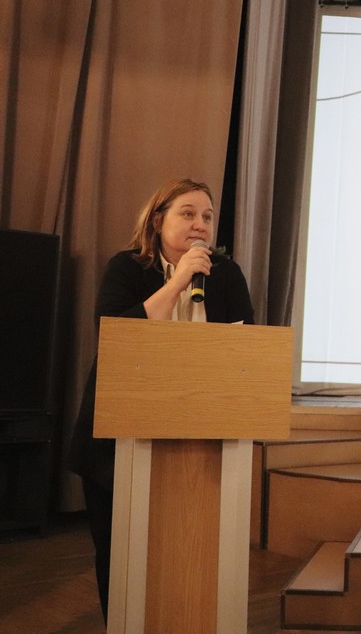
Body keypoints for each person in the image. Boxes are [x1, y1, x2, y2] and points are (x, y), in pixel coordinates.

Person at [69, 177, 255, 623]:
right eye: (187, 213)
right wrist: (179, 281)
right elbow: (117, 337)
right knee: (119, 552)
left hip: (201, 439)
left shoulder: (226, 274)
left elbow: (247, 354)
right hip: (118, 439)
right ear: (158, 220)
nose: (200, 224)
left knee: (189, 551)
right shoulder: (127, 268)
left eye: (207, 216)